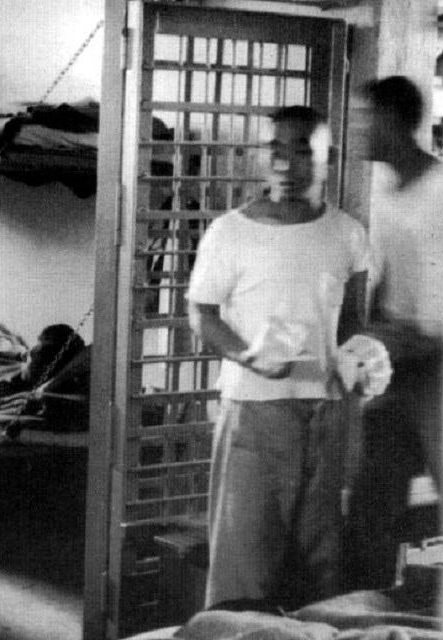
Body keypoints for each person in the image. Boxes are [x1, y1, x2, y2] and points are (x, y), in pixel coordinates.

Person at [187, 106, 369, 609]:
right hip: (254, 412)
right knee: (243, 566)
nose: (287, 165)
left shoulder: (347, 234)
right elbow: (201, 314)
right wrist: (250, 358)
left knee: (322, 566)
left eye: (302, 150)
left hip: (327, 415)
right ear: (263, 158)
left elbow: (352, 321)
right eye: (277, 150)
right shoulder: (231, 232)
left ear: (327, 157)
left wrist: (362, 361)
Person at [343, 75, 443, 590]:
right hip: (399, 361)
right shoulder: (385, 188)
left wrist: (376, 348)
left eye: (367, 119)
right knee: (371, 510)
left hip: (434, 366)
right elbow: (385, 286)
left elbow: (435, 326)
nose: (358, 128)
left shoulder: (439, 192)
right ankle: (363, 615)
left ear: (395, 123)